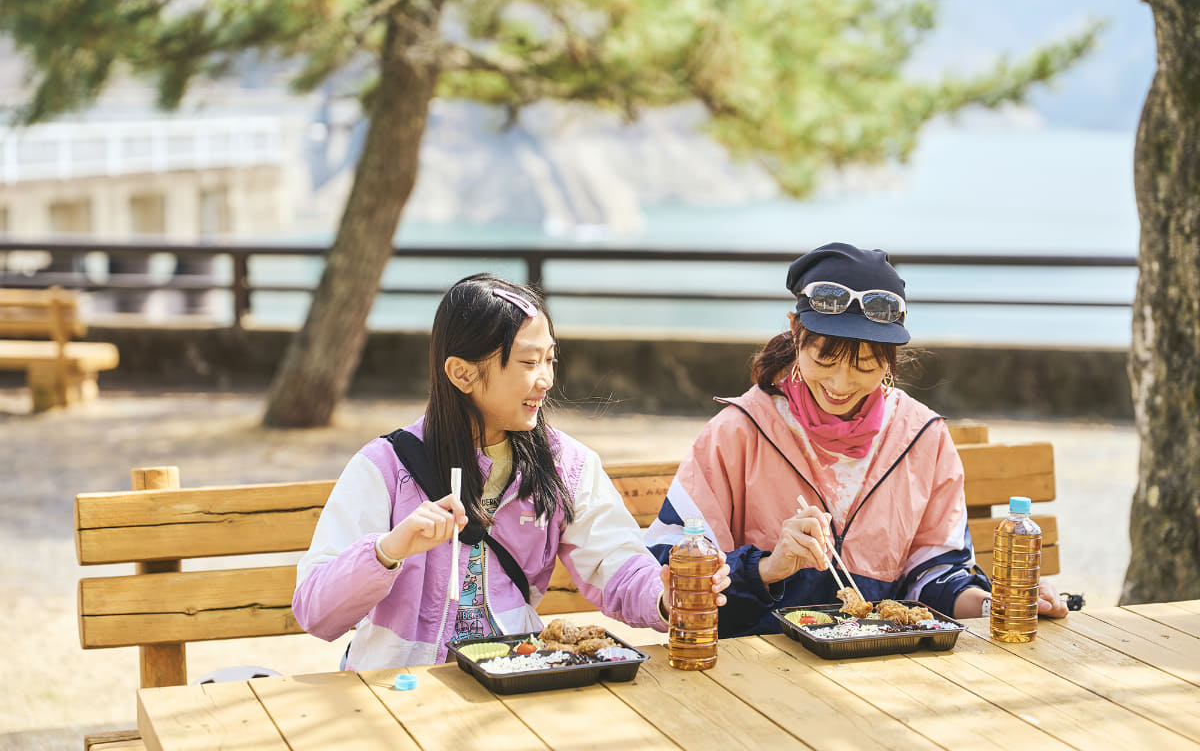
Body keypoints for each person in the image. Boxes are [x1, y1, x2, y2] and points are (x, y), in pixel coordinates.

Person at [293, 273, 730, 670]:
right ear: (462, 374)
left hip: (513, 676)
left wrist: (666, 597)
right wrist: (389, 549)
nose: (546, 379)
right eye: (528, 362)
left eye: (550, 359)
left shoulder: (567, 466)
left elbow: (615, 562)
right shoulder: (385, 467)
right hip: (394, 684)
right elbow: (315, 612)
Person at [645, 242, 1069, 637]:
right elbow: (669, 565)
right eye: (824, 359)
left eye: (865, 366)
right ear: (795, 330)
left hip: (884, 665)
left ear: (890, 360)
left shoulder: (923, 438)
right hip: (755, 665)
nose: (841, 384)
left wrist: (996, 603)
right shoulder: (738, 432)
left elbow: (937, 575)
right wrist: (768, 567)